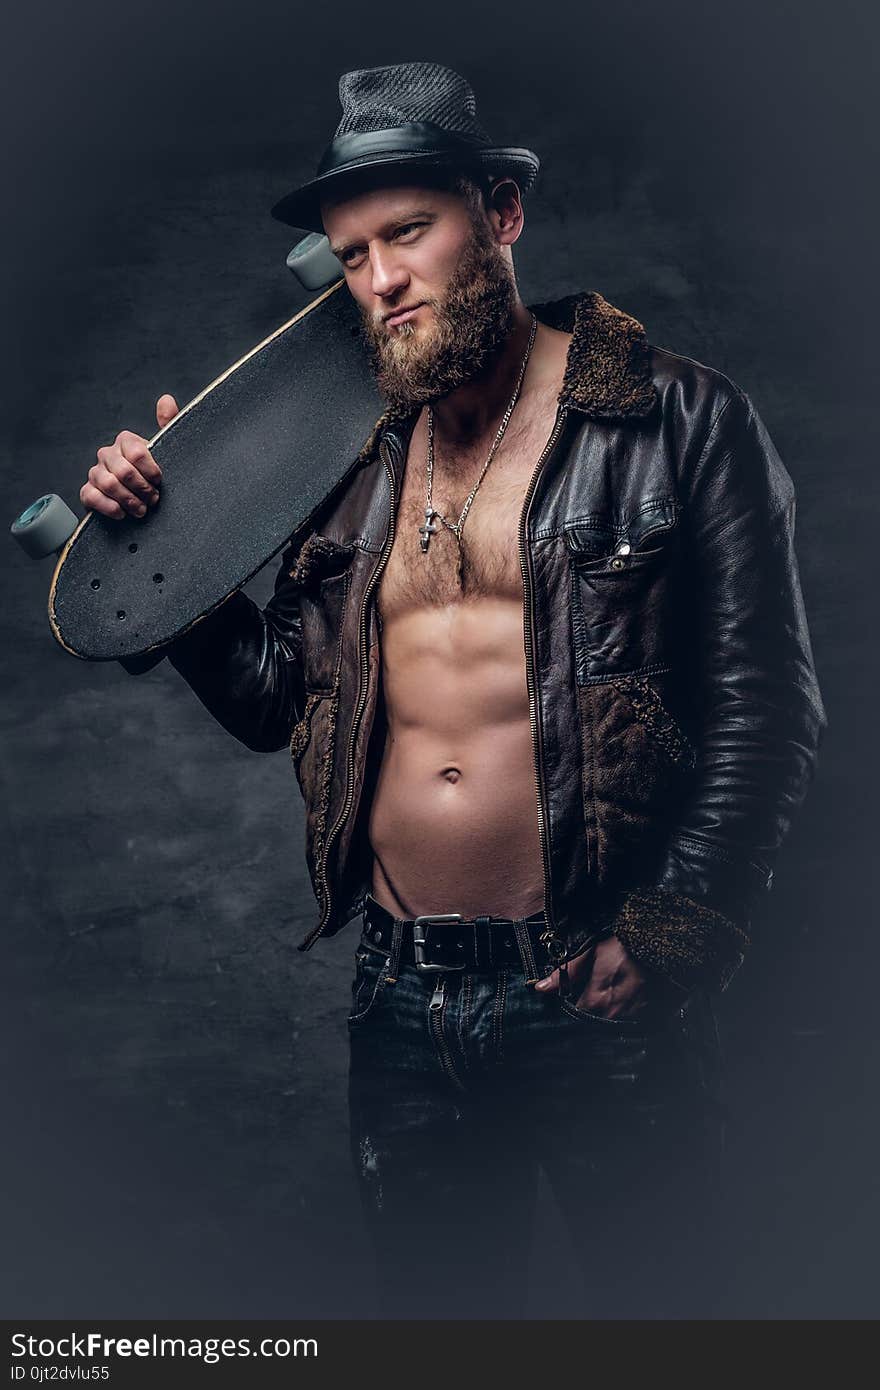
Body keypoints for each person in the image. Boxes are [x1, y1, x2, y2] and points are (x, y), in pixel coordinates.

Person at [80, 62, 827, 1319]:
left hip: (589, 986)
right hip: (398, 993)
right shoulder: (348, 453)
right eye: (352, 253)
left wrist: (672, 930)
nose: (380, 280)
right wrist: (168, 556)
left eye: (408, 232)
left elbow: (765, 700)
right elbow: (276, 702)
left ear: (500, 215)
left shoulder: (677, 420)